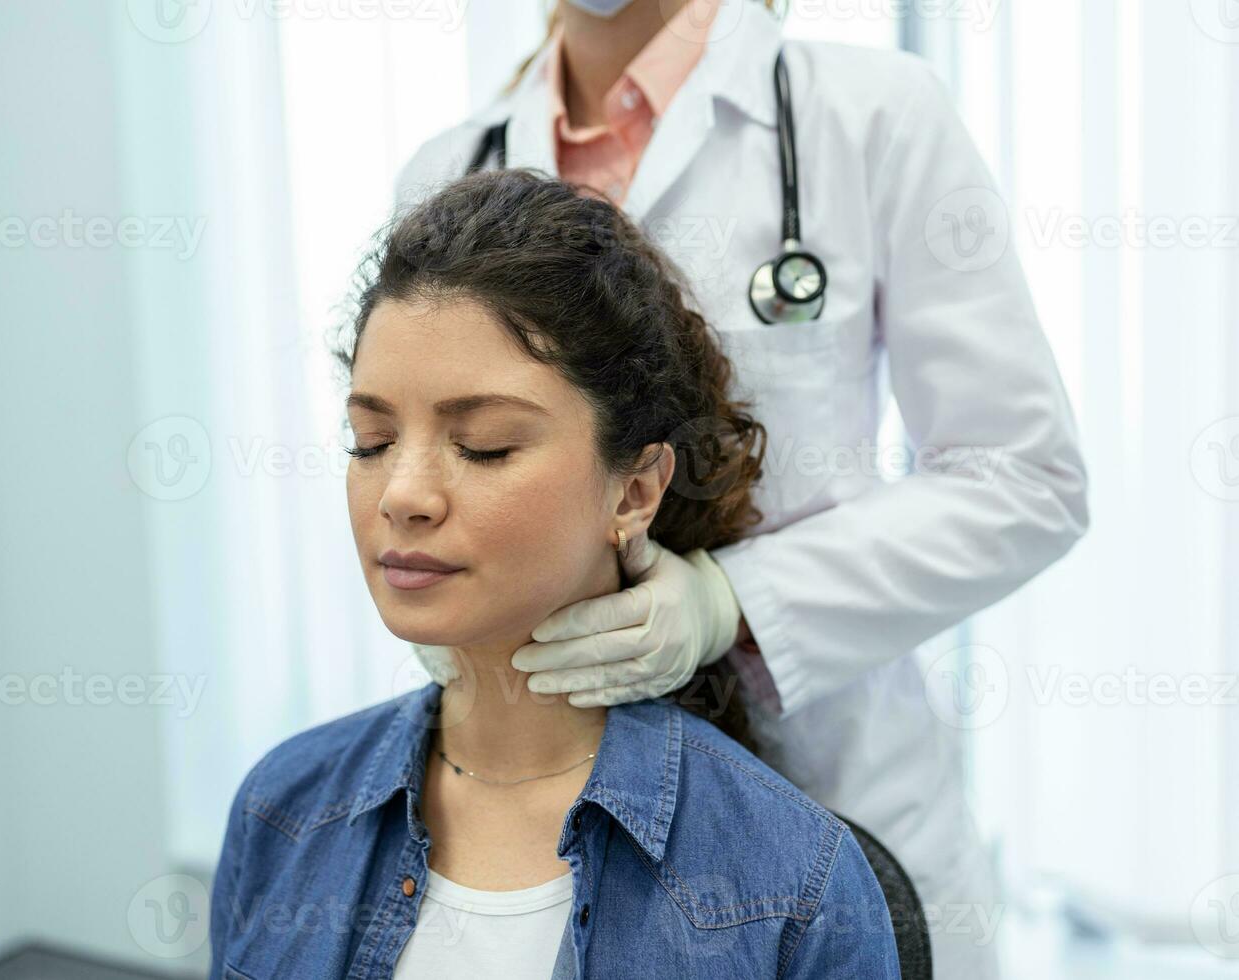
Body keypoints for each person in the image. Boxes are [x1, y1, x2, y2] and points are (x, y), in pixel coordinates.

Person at [394, 1, 1090, 977]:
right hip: (544, 797)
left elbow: (1026, 473)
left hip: (832, 788)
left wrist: (735, 603)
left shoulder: (865, 115)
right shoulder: (449, 172)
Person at [208, 168, 901, 979]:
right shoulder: (284, 812)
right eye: (371, 441)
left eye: (486, 446)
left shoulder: (792, 883)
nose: (402, 494)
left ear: (636, 490)